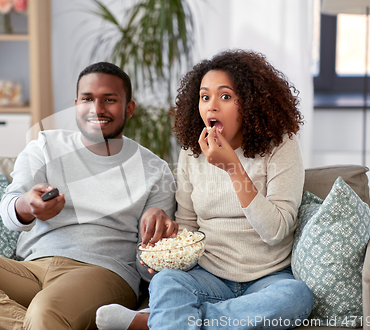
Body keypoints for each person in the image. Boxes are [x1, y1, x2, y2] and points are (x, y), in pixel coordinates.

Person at [0, 62, 178, 330]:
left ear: (129, 108)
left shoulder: (155, 170)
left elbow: (151, 269)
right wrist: (27, 206)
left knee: (45, 310)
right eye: (87, 99)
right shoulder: (45, 146)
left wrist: (153, 239)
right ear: (77, 104)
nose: (96, 109)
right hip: (31, 269)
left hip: (103, 273)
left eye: (109, 100)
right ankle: (31, 326)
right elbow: (10, 210)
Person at [96, 49, 314, 330]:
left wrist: (232, 167)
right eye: (204, 96)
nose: (212, 106)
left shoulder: (281, 146)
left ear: (250, 103)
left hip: (268, 278)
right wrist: (166, 251)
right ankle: (183, 316)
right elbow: (187, 226)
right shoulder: (192, 154)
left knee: (296, 297)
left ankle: (164, 319)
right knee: (166, 281)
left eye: (225, 96)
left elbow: (276, 230)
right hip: (209, 275)